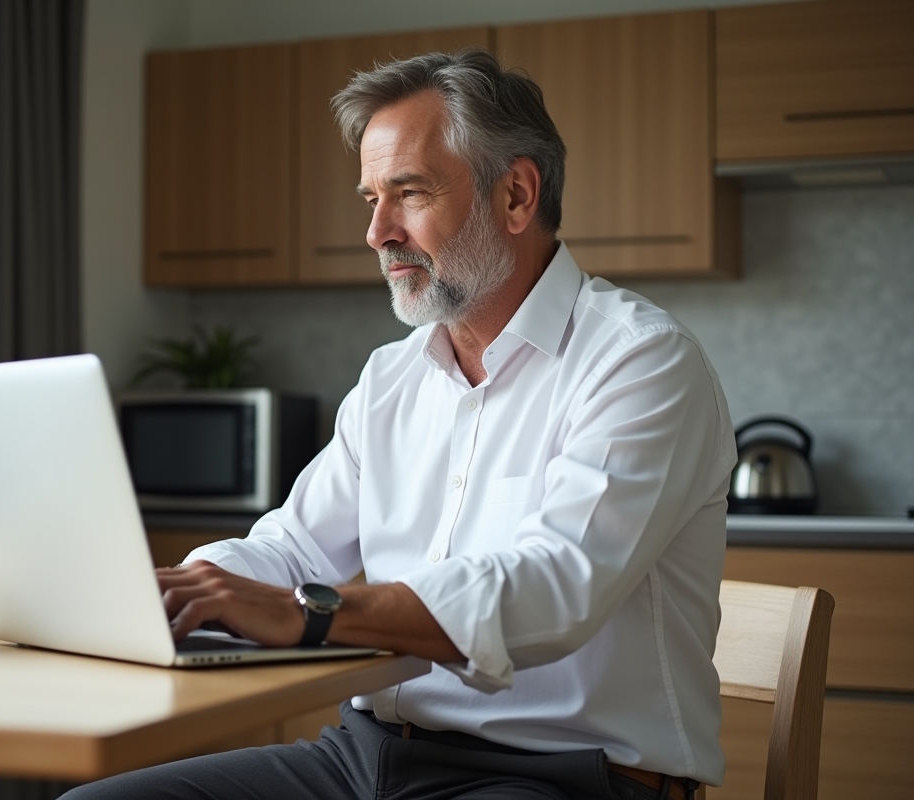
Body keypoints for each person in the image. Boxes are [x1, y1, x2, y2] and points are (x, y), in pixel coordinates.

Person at [63, 49, 734, 800]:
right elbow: (291, 548)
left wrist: (304, 615)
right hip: (362, 758)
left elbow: (555, 590)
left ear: (515, 195)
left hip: (566, 777)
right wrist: (182, 592)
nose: (377, 231)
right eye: (370, 198)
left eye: (407, 193)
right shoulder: (392, 377)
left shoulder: (641, 361)